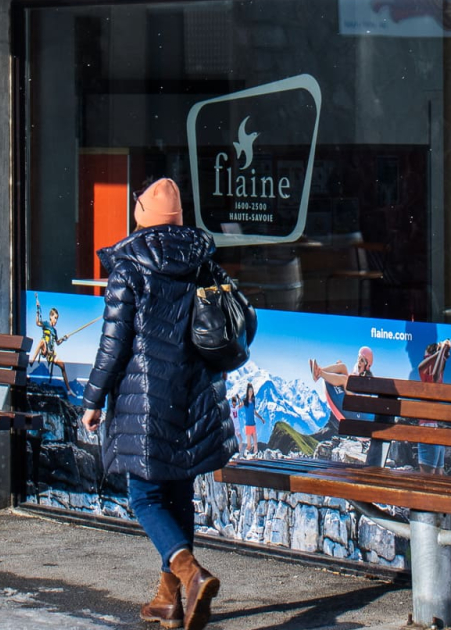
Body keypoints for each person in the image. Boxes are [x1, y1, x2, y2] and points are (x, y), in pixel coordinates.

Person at [79, 178, 234, 630]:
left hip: (144, 398)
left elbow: (114, 343)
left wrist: (92, 399)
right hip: (195, 393)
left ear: (143, 213)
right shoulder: (203, 261)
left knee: (145, 495)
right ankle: (169, 600)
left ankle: (189, 573)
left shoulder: (130, 267)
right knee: (179, 490)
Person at [310, 346, 384, 465]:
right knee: (343, 367)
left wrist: (347, 384)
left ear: (367, 365)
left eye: (362, 361)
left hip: (359, 412)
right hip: (351, 400)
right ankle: (318, 372)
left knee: (345, 380)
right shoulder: (356, 370)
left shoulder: (368, 377)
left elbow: (363, 398)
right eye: (358, 359)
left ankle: (321, 373)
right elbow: (351, 381)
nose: (358, 363)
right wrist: (339, 370)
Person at [414, 340, 451, 474]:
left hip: (427, 429)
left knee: (426, 478)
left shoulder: (431, 375)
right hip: (436, 429)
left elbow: (421, 367)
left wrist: (439, 353)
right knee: (438, 474)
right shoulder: (438, 376)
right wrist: (441, 353)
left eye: (426, 357)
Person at [239, 384, 258, 457]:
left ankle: (256, 457)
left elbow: (254, 411)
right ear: (247, 392)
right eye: (250, 391)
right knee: (249, 446)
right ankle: (244, 454)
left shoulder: (253, 401)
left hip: (253, 424)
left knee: (255, 444)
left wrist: (261, 418)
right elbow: (239, 407)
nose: (251, 392)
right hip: (248, 426)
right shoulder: (245, 401)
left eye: (252, 391)